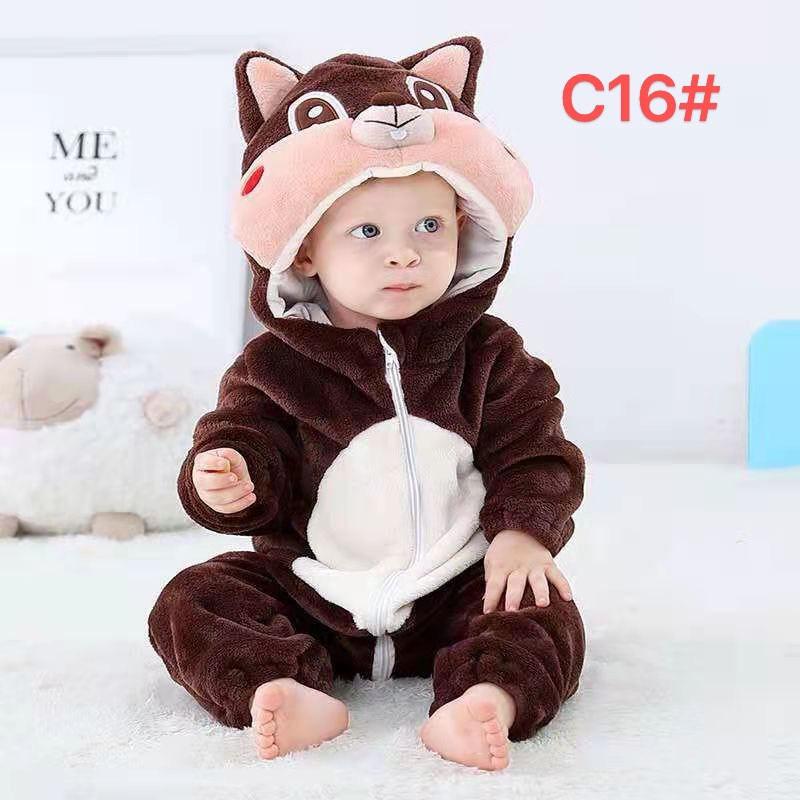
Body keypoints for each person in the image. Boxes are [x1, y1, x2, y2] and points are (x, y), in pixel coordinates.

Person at [148, 35, 586, 772]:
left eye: (430, 226)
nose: (405, 253)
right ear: (305, 249)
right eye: (368, 231)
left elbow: (535, 451)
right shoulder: (273, 367)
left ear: (463, 229)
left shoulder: (489, 353)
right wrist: (226, 476)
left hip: (455, 587)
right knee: (193, 599)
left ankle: (486, 698)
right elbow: (244, 442)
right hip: (315, 590)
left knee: (543, 611)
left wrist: (522, 535)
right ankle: (283, 684)